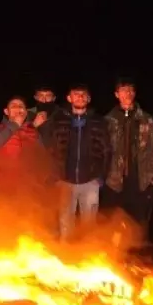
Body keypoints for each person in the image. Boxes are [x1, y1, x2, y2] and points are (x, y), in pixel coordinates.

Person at [47, 85, 110, 241]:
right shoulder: (58, 120)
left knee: (89, 226)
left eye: (83, 95)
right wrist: (55, 175)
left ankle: (88, 257)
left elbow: (107, 151)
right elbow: (51, 150)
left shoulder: (98, 121)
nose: (80, 97)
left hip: (90, 182)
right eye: (76, 94)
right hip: (65, 182)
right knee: (66, 225)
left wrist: (101, 176)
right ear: (69, 98)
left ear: (88, 99)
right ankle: (66, 257)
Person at [104, 76, 153, 238]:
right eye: (123, 90)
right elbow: (102, 150)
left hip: (141, 181)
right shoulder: (109, 120)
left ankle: (138, 260)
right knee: (114, 223)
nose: (127, 94)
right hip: (115, 181)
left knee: (139, 224)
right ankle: (114, 259)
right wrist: (103, 175)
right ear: (116, 94)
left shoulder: (147, 120)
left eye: (130, 90)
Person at [0, 96, 49, 200]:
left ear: (26, 112)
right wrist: (16, 124)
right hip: (4, 190)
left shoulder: (33, 131)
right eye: (13, 106)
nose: (18, 108)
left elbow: (42, 158)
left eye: (21, 106)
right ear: (6, 111)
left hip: (30, 190)